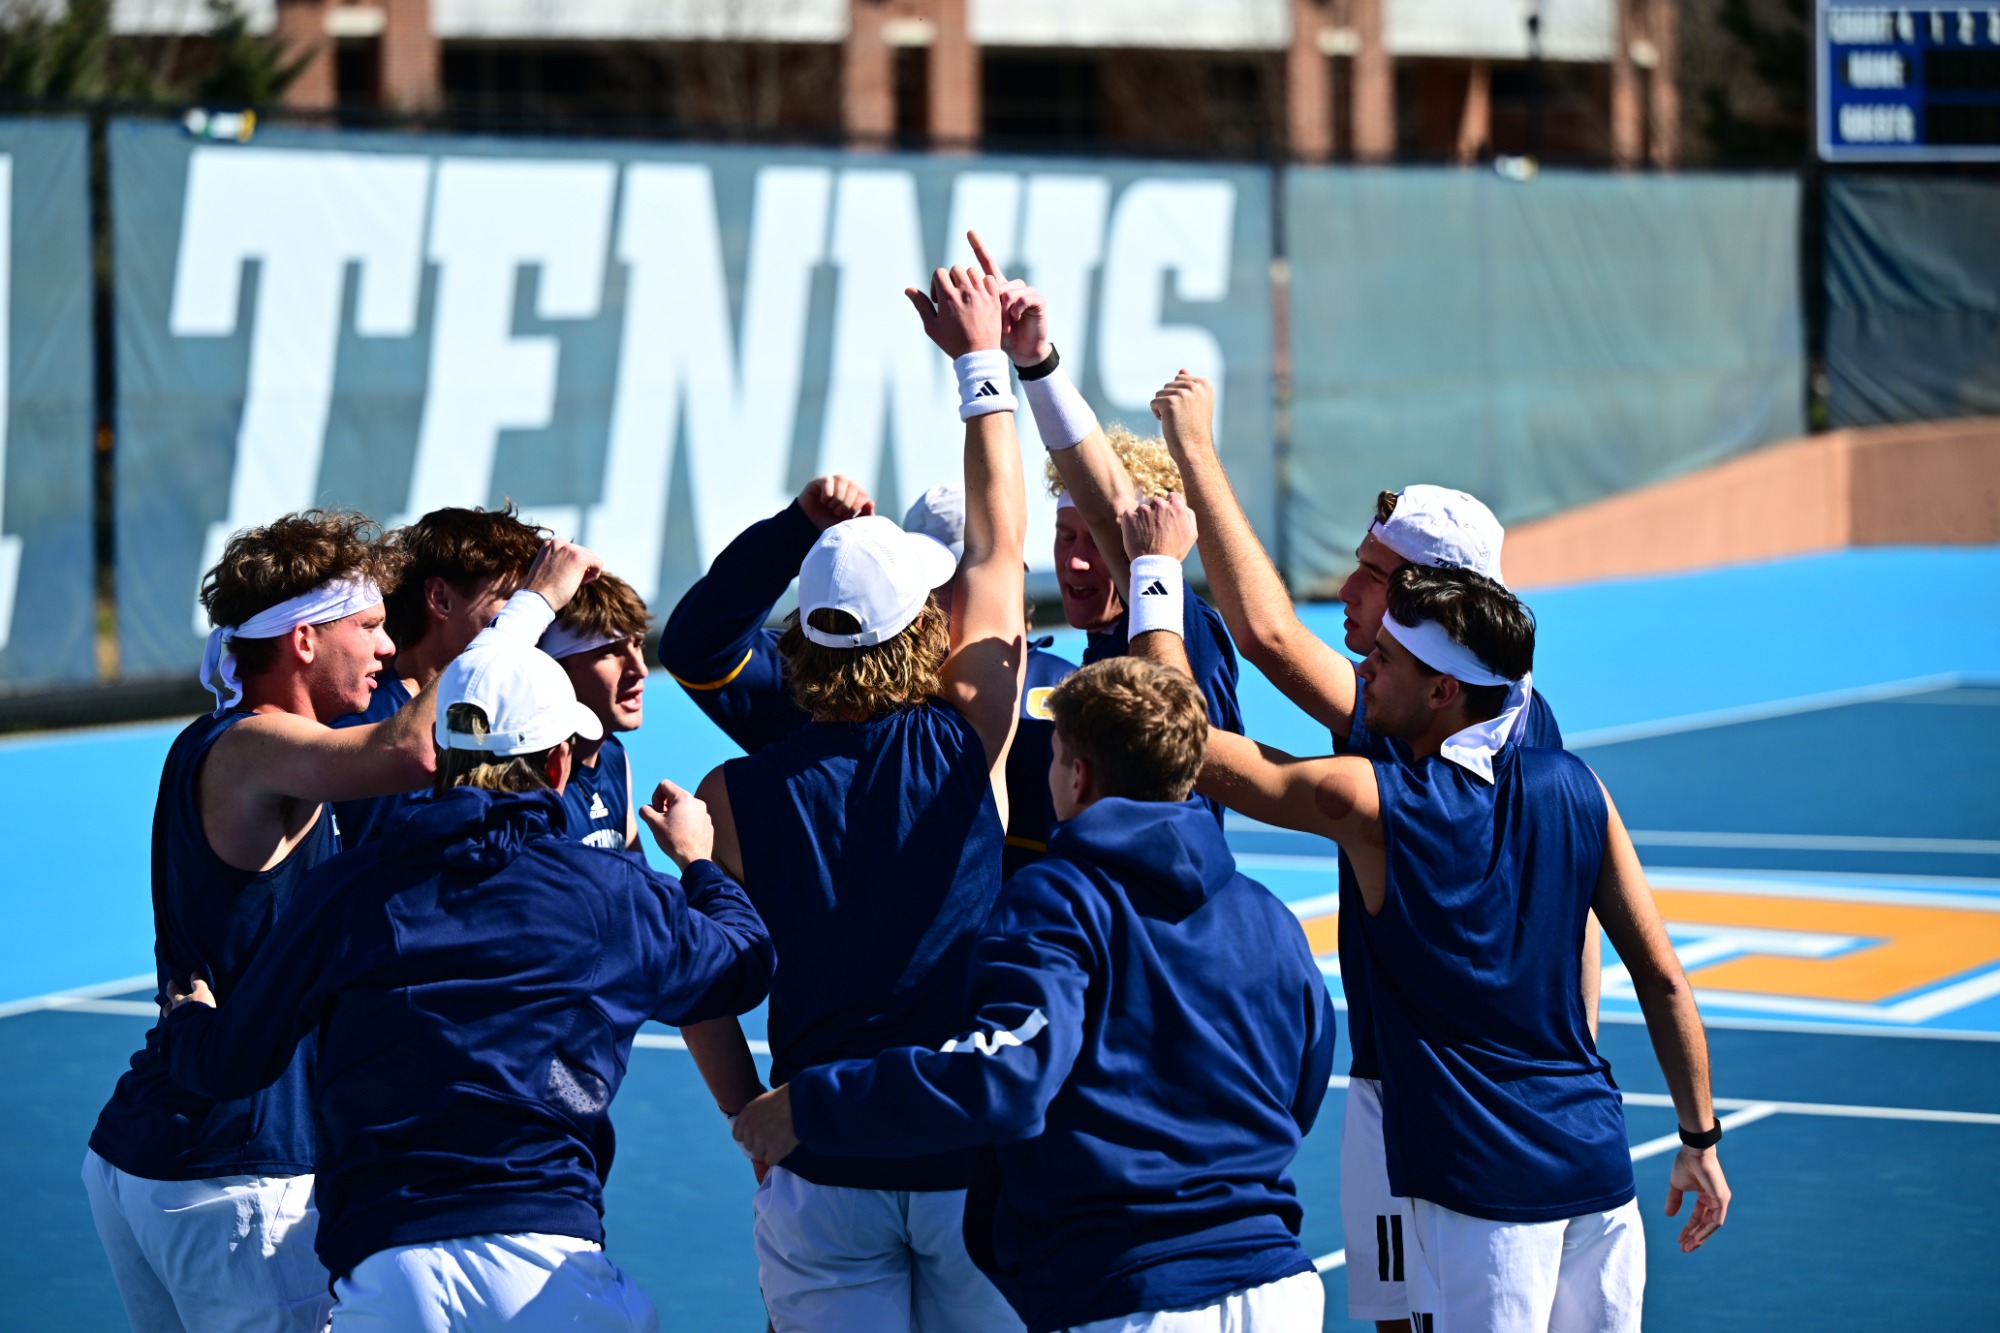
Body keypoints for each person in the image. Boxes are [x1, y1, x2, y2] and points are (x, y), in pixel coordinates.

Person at [1123, 516, 1731, 1333]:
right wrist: (1699, 1134)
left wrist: (1156, 574)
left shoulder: (1377, 807)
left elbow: (1187, 747)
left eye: (1385, 663)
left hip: (1482, 1198)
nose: (1363, 672)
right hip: (1597, 1177)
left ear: (1443, 690)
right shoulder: (1577, 786)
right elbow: (1660, 976)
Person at [153, 629, 775, 1331]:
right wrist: (698, 862)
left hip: (387, 1274)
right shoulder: (613, 892)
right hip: (548, 1261)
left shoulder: (345, 890)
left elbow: (229, 1060)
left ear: (441, 759)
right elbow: (743, 964)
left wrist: (184, 1019)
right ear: (559, 762)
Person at [1146, 371, 1586, 1329]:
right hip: (1446, 1098)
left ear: (1439, 603)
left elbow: (1264, 638)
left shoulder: (1416, 725)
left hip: (1455, 1113)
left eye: (1372, 577)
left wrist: (1195, 457)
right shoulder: (1479, 710)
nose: (1346, 593)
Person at [79, 509, 588, 1331]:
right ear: (305, 641)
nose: (389, 649)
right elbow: (418, 750)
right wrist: (525, 612)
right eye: (369, 627)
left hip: (163, 1158)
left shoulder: (221, 741)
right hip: (236, 1179)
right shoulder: (252, 747)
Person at [734, 656, 1337, 1333]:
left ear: (1077, 775)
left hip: (1130, 1294)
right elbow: (1301, 1087)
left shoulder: (1056, 898)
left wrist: (812, 1104)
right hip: (1279, 1288)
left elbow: (1005, 1075)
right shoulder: (1272, 919)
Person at [678, 262, 1029, 1332]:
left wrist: (750, 1114)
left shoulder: (728, 792)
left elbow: (702, 986)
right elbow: (999, 540)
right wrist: (979, 363)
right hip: (967, 1149)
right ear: (923, 625)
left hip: (818, 1157)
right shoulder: (968, 732)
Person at [661, 474, 1073, 879]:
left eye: (954, 577)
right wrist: (796, 531)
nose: (930, 597)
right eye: (924, 577)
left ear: (1010, 581)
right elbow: (696, 650)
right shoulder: (832, 683)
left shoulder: (1070, 695)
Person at [964, 235, 1243, 825]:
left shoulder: (1179, 624)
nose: (1079, 562)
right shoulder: (1084, 659)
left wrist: (1033, 366)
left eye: (1097, 543)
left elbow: (1108, 506)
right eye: (1066, 538)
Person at [332, 503, 548, 848]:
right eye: (513, 600)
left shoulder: (519, 722)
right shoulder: (360, 724)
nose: (533, 619)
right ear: (440, 599)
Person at [541, 571, 652, 851]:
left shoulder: (614, 755)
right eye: (610, 651)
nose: (640, 669)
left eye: (638, 645)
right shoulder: (523, 776)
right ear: (555, 669)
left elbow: (638, 887)